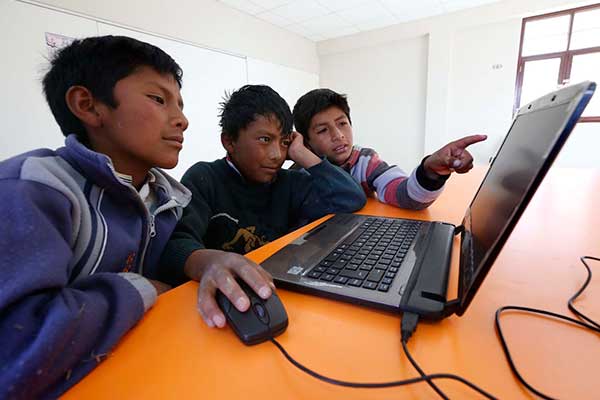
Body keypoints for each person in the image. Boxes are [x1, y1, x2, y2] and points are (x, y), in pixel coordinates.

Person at [0, 35, 191, 398]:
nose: (182, 120)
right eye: (158, 99)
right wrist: (142, 288)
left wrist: (201, 259)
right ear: (88, 106)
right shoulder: (32, 190)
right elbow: (16, 350)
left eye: (180, 105)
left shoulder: (164, 199)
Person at [160, 84, 366, 329]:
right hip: (220, 305)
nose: (277, 154)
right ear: (229, 141)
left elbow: (351, 198)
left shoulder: (289, 182)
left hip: (277, 297)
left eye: (284, 142)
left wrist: (302, 154)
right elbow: (177, 244)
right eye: (265, 140)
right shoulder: (205, 178)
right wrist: (208, 262)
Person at [292, 88, 487, 210]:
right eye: (323, 130)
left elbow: (405, 195)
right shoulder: (301, 174)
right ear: (306, 142)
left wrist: (431, 171)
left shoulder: (365, 162)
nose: (338, 135)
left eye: (342, 123)